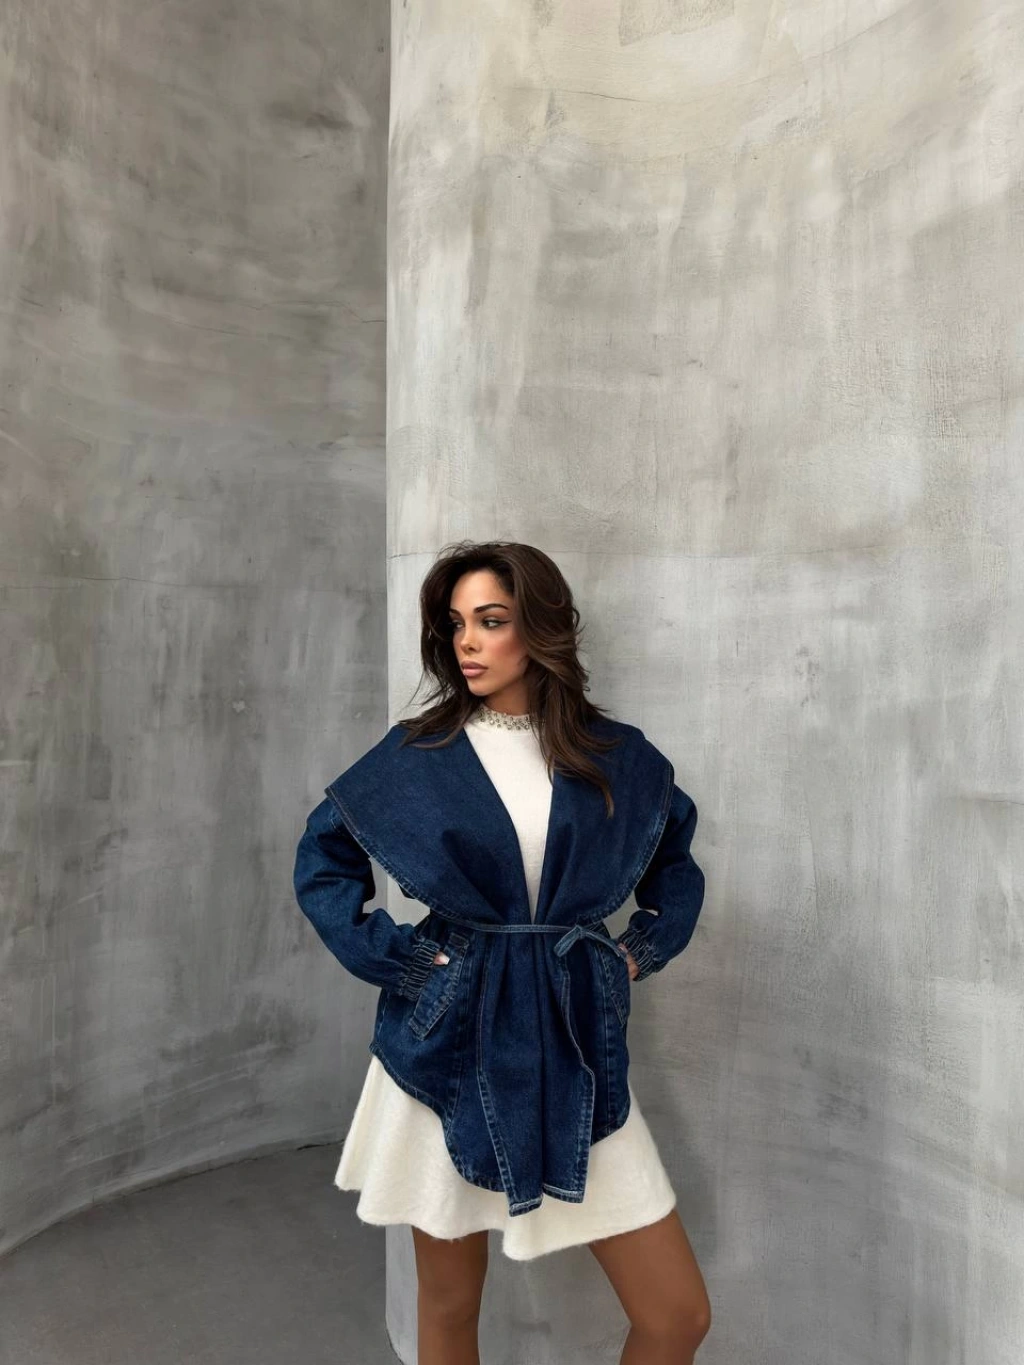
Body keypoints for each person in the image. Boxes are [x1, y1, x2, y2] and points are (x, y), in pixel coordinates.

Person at [293, 540, 712, 1365]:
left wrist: (637, 949)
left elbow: (674, 860)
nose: (468, 643)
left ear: (541, 627)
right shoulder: (421, 752)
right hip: (446, 1037)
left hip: (572, 1038)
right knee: (449, 1305)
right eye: (456, 625)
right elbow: (324, 856)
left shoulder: (616, 756)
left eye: (490, 620)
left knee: (676, 1314)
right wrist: (401, 961)